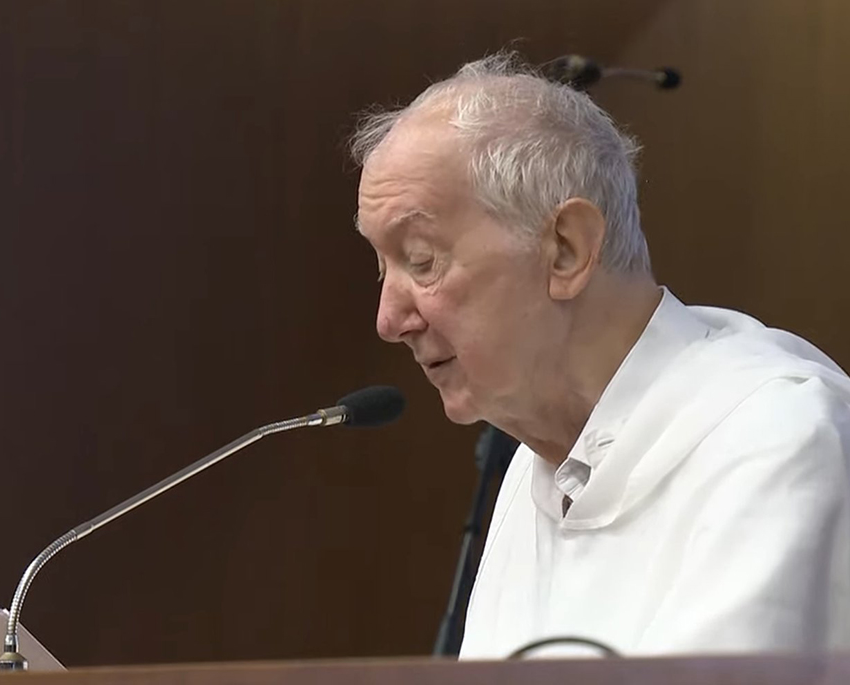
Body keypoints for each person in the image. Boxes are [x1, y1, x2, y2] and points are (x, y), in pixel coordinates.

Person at [350, 53, 850, 657]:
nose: (388, 321)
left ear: (566, 249)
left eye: (421, 260)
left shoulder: (774, 435)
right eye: (382, 270)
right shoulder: (531, 470)